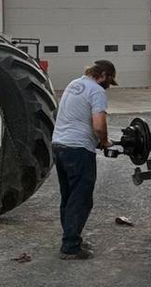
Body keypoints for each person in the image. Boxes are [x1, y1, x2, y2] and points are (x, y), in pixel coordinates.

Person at [50, 59, 116, 259]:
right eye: (109, 80)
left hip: (59, 146)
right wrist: (103, 141)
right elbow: (98, 123)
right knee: (81, 199)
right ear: (103, 75)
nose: (108, 85)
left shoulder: (74, 84)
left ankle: (71, 238)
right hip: (78, 149)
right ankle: (70, 247)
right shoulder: (96, 90)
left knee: (69, 196)